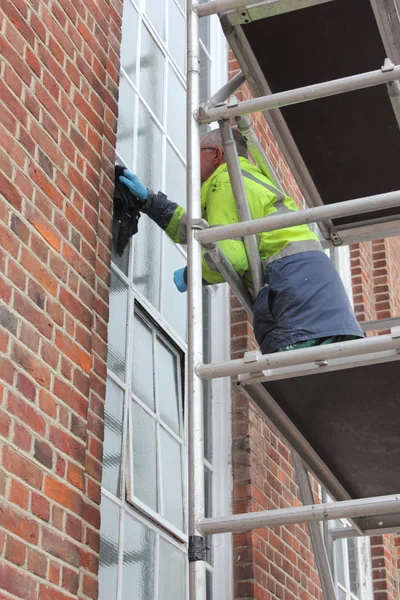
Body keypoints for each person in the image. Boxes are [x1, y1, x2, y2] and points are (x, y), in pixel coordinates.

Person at [119, 129, 363, 354]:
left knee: (294, 374)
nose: (191, 165)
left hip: (295, 293)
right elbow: (202, 230)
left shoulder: (224, 182)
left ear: (217, 154)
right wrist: (150, 201)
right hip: (323, 296)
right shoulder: (249, 180)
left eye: (197, 155)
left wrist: (190, 275)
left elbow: (229, 256)